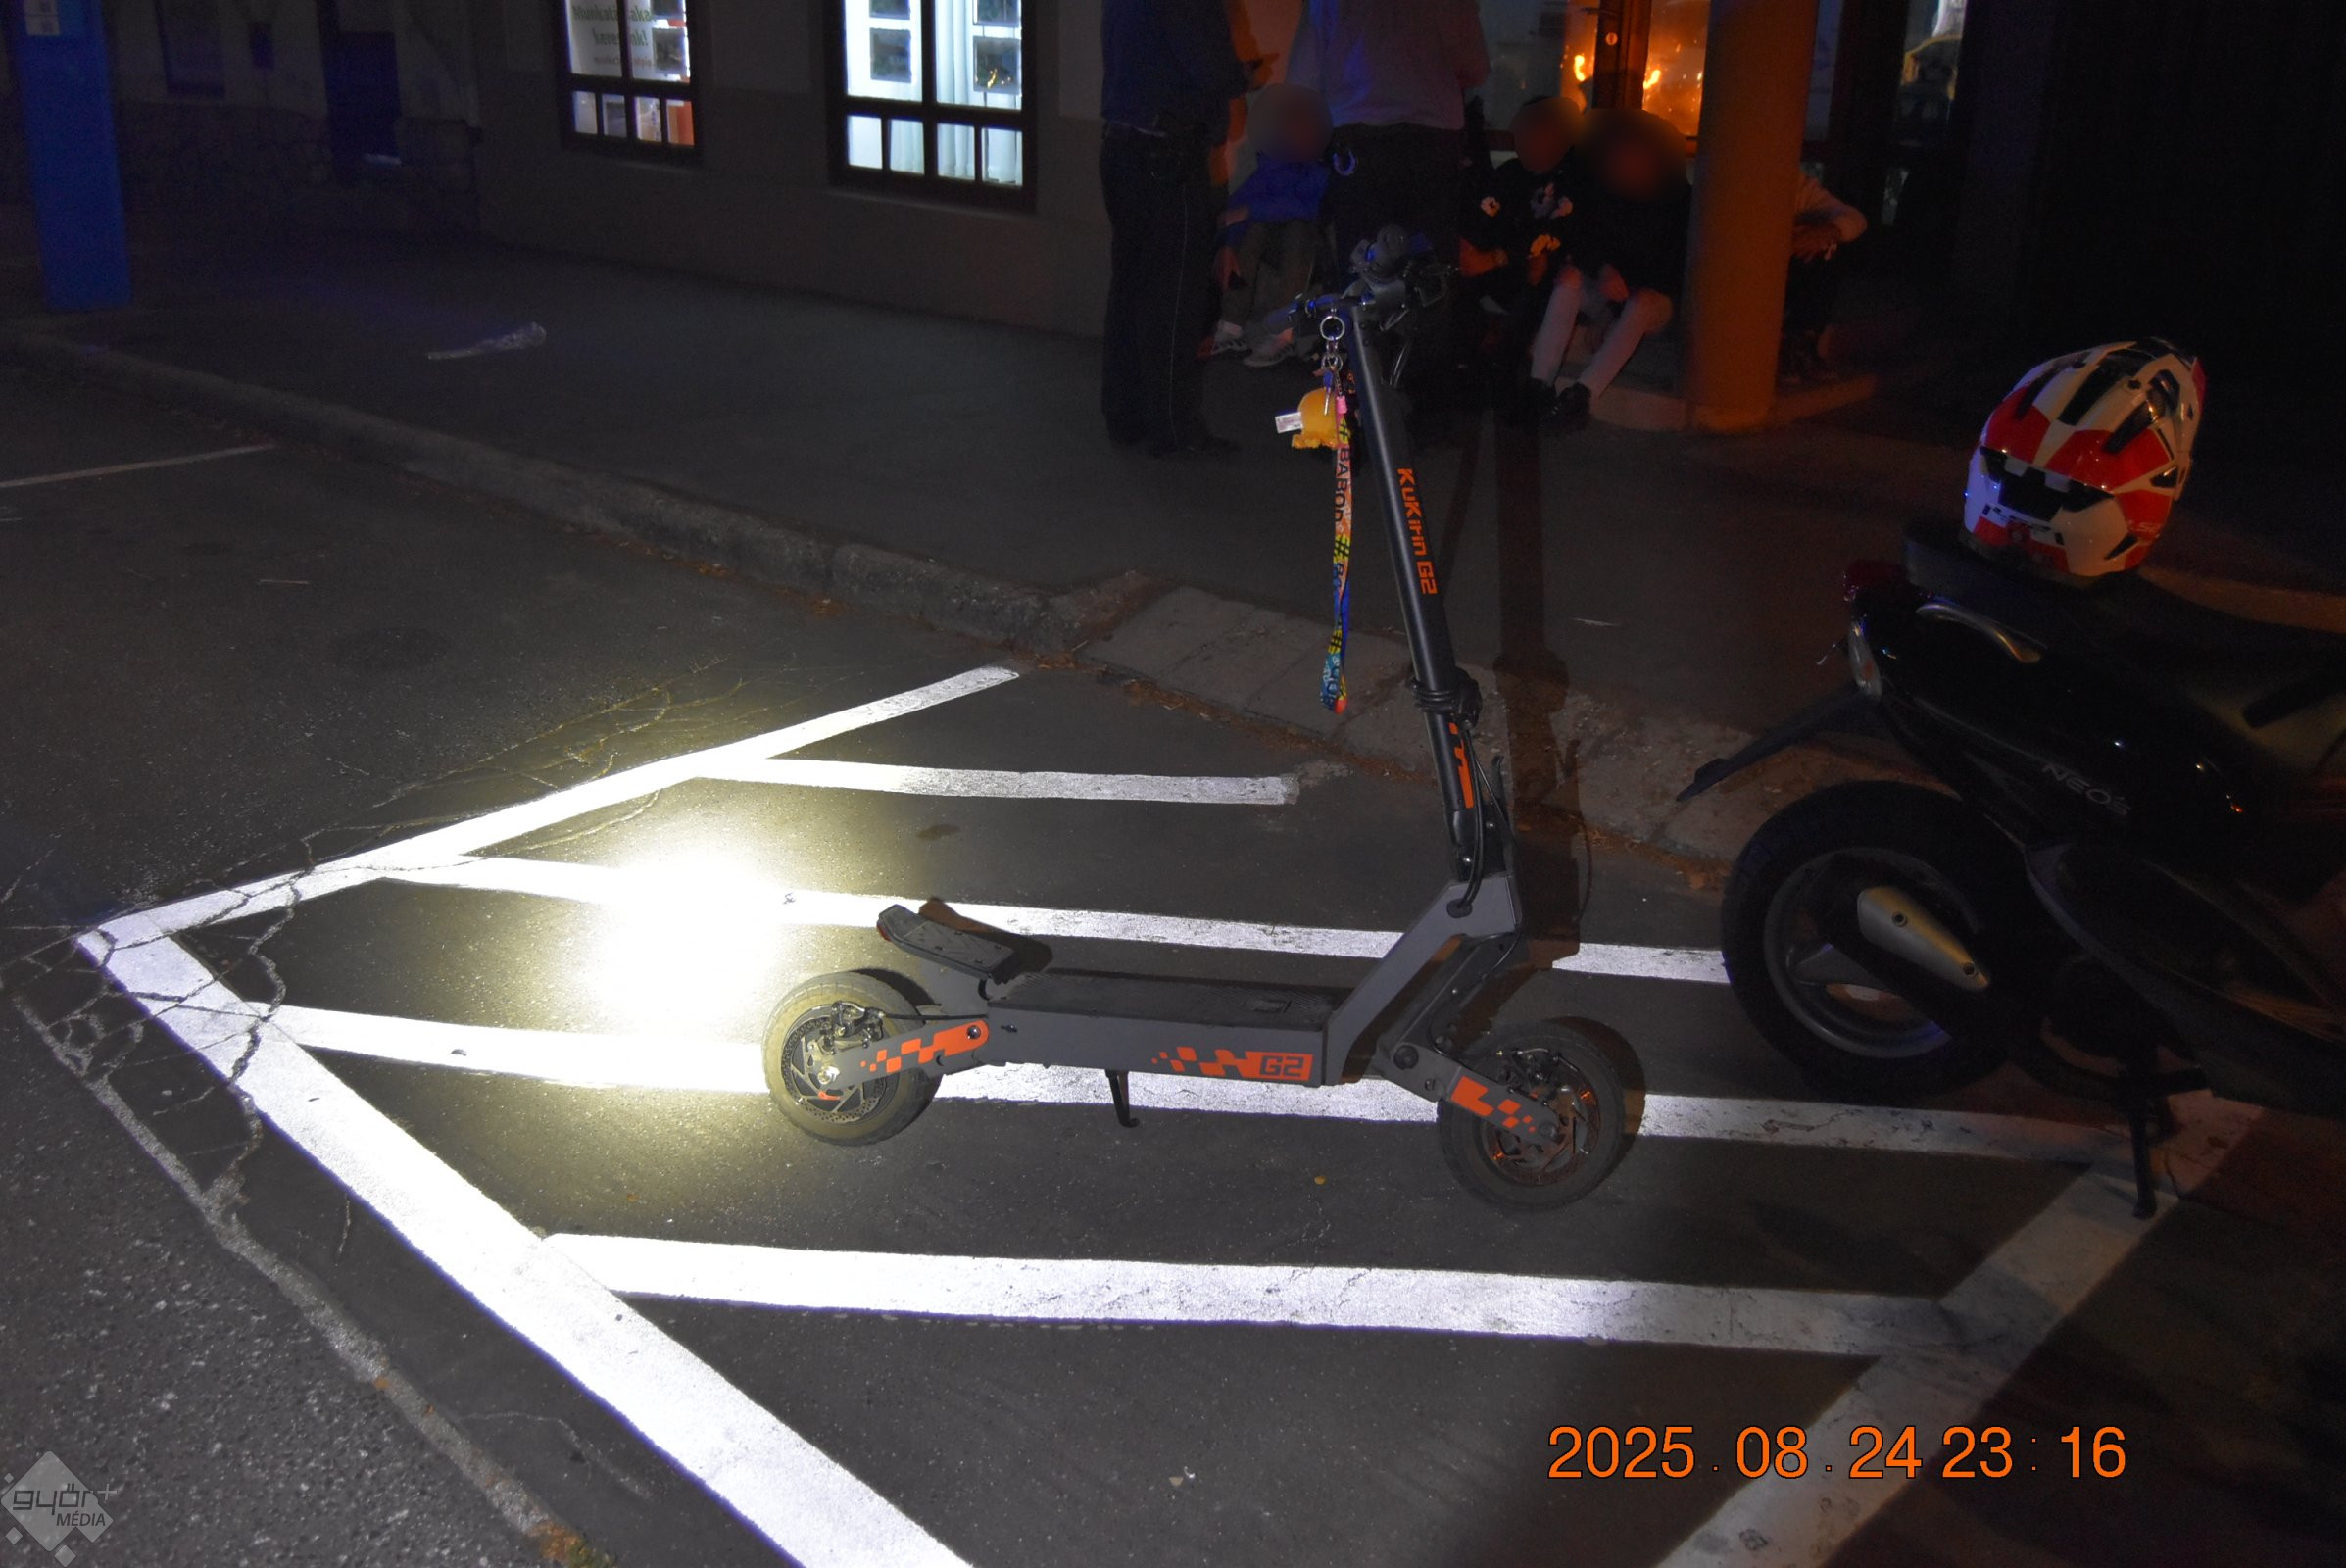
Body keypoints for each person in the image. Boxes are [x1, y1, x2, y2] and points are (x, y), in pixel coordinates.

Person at [1287, 0, 1488, 436]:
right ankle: (1427, 412)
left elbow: (1304, 77)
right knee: (1429, 281)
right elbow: (1474, 67)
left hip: (1360, 143)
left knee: (1360, 280)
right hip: (1432, 144)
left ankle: (1354, 415)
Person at [1100, 0, 1250, 457]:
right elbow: (1209, 66)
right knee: (1174, 297)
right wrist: (1241, 74)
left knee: (1130, 287)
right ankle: (1173, 429)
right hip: (1168, 157)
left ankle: (1126, 414)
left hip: (1124, 145)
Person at [1519, 108, 1690, 433]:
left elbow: (1669, 272)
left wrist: (1610, 314)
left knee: (1642, 301)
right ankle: (1539, 385)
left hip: (1653, 301)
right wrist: (1602, 269)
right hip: (1610, 291)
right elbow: (1583, 239)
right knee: (1569, 277)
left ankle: (1583, 395)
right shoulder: (1604, 191)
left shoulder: (1678, 202)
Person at [1211, 84, 1333, 368]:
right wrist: (1229, 243)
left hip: (1307, 251)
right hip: (1272, 249)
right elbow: (1235, 210)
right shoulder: (1270, 168)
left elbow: (1308, 209)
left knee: (1297, 228)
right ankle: (1231, 326)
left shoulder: (1319, 172)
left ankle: (1284, 333)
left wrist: (1253, 210)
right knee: (1253, 230)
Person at [1783, 169, 1868, 382]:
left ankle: (1801, 342)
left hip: (1786, 269)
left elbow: (1854, 218)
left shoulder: (1793, 184)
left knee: (1828, 244)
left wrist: (1825, 232)